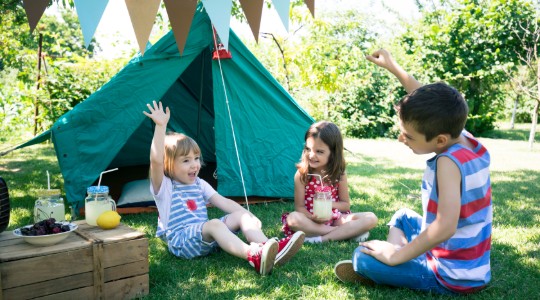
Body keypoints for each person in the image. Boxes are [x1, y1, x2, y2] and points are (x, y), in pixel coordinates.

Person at [334, 49, 492, 295]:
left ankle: (392, 265)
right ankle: (393, 260)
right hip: (467, 262)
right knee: (402, 216)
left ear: (440, 140)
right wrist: (394, 68)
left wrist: (396, 256)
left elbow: (445, 227)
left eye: (409, 136)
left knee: (361, 258)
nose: (401, 138)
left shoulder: (448, 163)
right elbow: (430, 103)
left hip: (451, 275)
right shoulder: (462, 137)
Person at [144, 100, 305, 275]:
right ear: (168, 165)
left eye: (196, 158)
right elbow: (156, 161)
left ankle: (269, 247)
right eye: (186, 161)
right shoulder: (165, 188)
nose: (194, 165)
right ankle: (253, 256)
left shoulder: (199, 184)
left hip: (204, 236)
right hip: (182, 242)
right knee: (213, 224)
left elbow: (224, 202)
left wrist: (248, 216)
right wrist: (160, 127)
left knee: (238, 215)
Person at [281, 121, 378, 243]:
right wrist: (313, 218)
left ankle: (319, 238)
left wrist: (327, 204)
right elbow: (299, 207)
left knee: (371, 218)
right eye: (308, 149)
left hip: (335, 217)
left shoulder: (339, 174)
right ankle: (342, 232)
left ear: (333, 153)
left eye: (319, 151)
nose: (311, 155)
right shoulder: (302, 175)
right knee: (293, 218)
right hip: (311, 220)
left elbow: (345, 204)